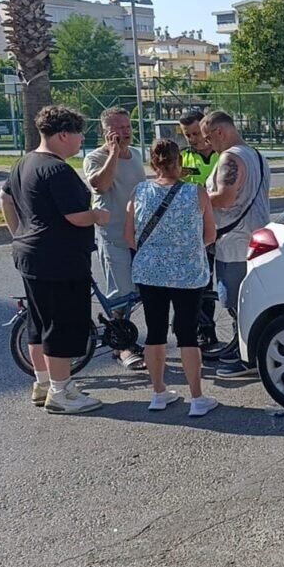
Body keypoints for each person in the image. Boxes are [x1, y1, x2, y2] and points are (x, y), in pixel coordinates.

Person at [0, 106, 109, 414]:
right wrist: (98, 215)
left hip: (31, 254)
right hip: (60, 259)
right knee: (62, 324)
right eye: (78, 133)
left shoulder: (23, 163)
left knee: (39, 322)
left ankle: (43, 383)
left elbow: (4, 198)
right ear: (62, 135)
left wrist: (19, 233)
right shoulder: (57, 170)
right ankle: (62, 392)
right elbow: (76, 216)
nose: (81, 139)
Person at [124, 138, 219, 417]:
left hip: (149, 272)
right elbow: (210, 234)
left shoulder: (139, 191)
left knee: (155, 332)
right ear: (179, 162)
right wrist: (187, 249)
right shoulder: (196, 192)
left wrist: (155, 252)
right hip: (188, 272)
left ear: (153, 164)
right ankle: (197, 397)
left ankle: (158, 393)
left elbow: (128, 236)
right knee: (188, 334)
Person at [201, 110, 270, 378]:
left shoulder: (229, 158)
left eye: (208, 138)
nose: (208, 144)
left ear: (220, 131)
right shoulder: (256, 155)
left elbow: (225, 198)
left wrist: (196, 197)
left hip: (234, 242)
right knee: (252, 299)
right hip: (257, 237)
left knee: (236, 302)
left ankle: (247, 358)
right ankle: (247, 351)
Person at [83, 107, 147, 370]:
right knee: (120, 293)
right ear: (105, 132)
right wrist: (113, 154)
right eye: (118, 128)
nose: (125, 132)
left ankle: (126, 337)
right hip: (114, 236)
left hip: (140, 236)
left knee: (139, 292)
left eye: (127, 126)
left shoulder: (137, 155)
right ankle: (122, 348)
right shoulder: (95, 158)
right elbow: (101, 185)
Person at [177, 108, 223, 352]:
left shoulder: (222, 155)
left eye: (196, 133)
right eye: (188, 135)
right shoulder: (182, 158)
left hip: (223, 229)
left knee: (223, 283)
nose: (193, 139)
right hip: (194, 232)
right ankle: (204, 332)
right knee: (201, 284)